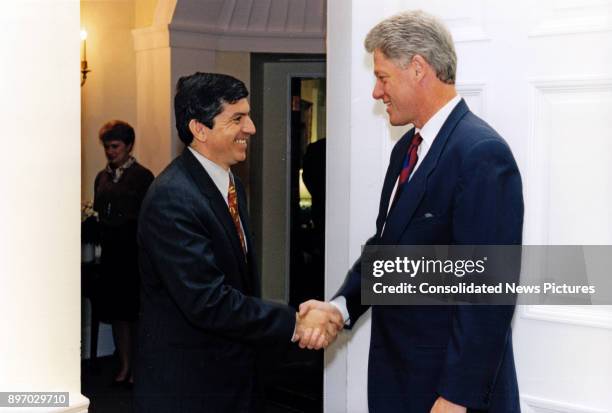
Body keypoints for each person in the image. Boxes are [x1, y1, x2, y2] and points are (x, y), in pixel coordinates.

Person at [299, 10, 524, 413]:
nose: (375, 92)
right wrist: (340, 306)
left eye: (382, 77)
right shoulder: (407, 150)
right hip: (401, 384)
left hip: (447, 394)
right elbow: (388, 250)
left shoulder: (481, 154)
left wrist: (458, 397)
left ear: (418, 68)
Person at [133, 72, 342, 413]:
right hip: (189, 390)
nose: (252, 128)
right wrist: (295, 322)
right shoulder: (172, 198)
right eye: (237, 119)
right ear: (199, 129)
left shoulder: (231, 185)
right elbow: (209, 301)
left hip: (230, 379)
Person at [93, 120, 154, 385]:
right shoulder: (101, 177)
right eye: (107, 147)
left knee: (135, 314)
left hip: (134, 256)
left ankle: (139, 368)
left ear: (129, 146)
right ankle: (125, 365)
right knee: (118, 314)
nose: (110, 152)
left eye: (115, 146)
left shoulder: (143, 176)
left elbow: (148, 219)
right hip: (111, 256)